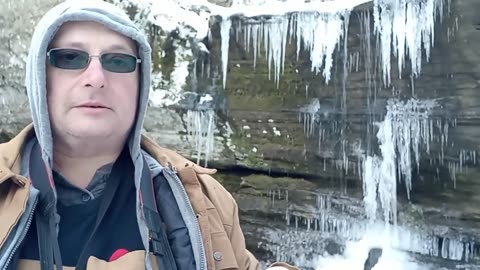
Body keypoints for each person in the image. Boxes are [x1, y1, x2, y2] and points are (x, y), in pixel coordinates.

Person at [0, 0, 296, 269]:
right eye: (69, 58)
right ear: (39, 77)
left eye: (118, 61)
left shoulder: (205, 198)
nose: (96, 79)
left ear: (141, 85)